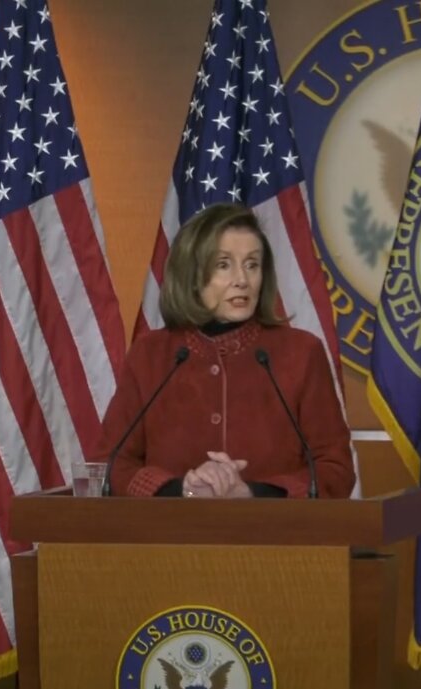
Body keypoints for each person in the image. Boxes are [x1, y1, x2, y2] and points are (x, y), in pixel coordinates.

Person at [97, 203, 355, 499]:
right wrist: (181, 490)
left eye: (252, 264)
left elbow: (336, 470)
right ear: (192, 276)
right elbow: (108, 464)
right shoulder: (151, 355)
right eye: (223, 265)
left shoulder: (301, 353)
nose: (242, 280)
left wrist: (251, 494)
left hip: (276, 541)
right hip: (166, 540)